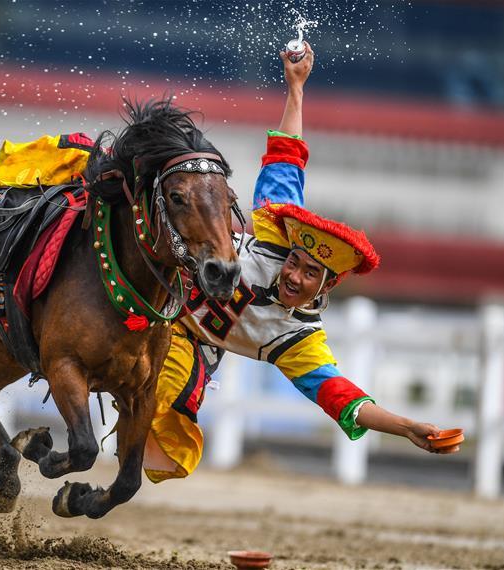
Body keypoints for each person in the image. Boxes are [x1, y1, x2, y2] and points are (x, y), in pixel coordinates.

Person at [144, 43, 460, 483]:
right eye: (295, 262)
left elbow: (342, 398)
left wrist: (406, 427)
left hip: (184, 338)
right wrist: (296, 88)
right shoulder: (276, 232)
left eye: (311, 273)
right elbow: (286, 158)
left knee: (168, 444)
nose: (294, 274)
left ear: (326, 287)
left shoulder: (298, 341)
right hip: (153, 271)